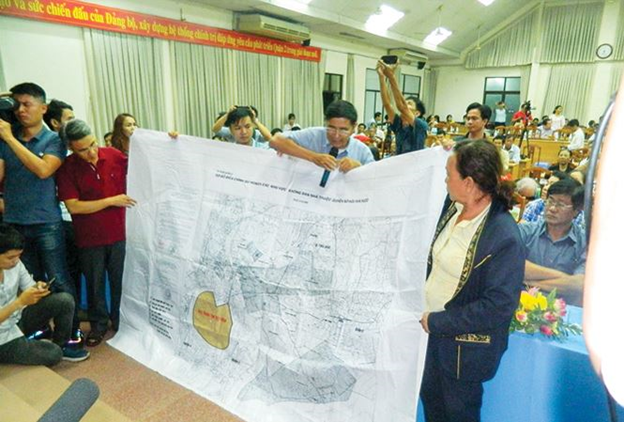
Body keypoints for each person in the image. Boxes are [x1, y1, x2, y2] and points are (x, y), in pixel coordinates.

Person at [420, 140, 525, 422]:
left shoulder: (503, 236)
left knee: (458, 414)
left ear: (468, 183)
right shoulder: (452, 208)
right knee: (433, 410)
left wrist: (438, 321)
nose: (445, 180)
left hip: (464, 351)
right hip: (430, 340)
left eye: (449, 175)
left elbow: (498, 306)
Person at [0, 82, 82, 342]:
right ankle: (40, 326)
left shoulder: (54, 140)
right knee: (29, 283)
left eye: (27, 104)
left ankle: (71, 331)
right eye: (17, 105)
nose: (21, 110)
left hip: (46, 222)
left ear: (43, 108)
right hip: (14, 222)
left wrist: (10, 139)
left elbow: (44, 170)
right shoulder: (6, 137)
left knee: (59, 279)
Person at [57, 120, 135, 347]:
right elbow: (74, 206)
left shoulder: (113, 155)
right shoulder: (67, 168)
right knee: (94, 284)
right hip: (89, 238)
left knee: (121, 282)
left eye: (93, 144)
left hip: (120, 234)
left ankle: (121, 322)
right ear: (71, 148)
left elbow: (143, 164)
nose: (92, 152)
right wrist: (111, 201)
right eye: (83, 149)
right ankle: (98, 325)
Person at [0, 223, 89, 364]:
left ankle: (61, 345)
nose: (15, 261)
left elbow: (29, 286)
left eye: (19, 256)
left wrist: (38, 288)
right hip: (2, 338)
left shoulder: (16, 264)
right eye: (10, 258)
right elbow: (20, 302)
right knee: (53, 354)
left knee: (65, 300)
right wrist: (20, 302)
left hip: (16, 320)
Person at [519, 178, 586, 305]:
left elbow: (579, 284)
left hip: (562, 310)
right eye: (550, 201)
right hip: (520, 304)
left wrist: (530, 282)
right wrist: (566, 279)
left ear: (576, 210)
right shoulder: (526, 231)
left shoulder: (584, 243)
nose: (552, 208)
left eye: (561, 204)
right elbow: (514, 266)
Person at [270, 100, 374, 173]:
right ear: (326, 123)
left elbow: (375, 182)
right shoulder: (314, 136)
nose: (336, 136)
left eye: (343, 130)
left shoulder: (362, 151)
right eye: (331, 128)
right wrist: (314, 157)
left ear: (354, 128)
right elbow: (275, 140)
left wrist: (358, 168)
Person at [377, 61, 428, 154]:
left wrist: (391, 76)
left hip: (415, 161)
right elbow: (387, 104)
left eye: (409, 104)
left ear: (417, 113)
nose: (406, 105)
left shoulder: (420, 125)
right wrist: (381, 77)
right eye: (406, 102)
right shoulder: (398, 123)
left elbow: (402, 107)